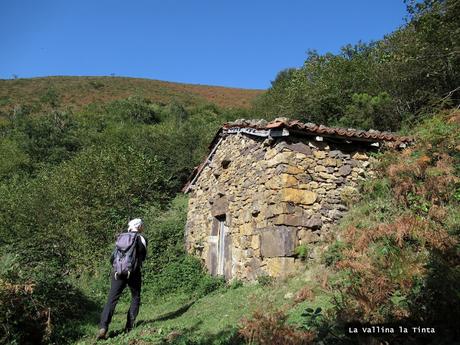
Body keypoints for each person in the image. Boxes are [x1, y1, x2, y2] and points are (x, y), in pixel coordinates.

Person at [97, 218, 147, 340]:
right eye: (142, 226)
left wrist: (118, 268)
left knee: (111, 299)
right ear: (139, 227)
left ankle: (103, 327)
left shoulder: (121, 237)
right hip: (133, 272)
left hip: (117, 272)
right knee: (135, 296)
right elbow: (143, 256)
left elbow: (112, 257)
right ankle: (129, 326)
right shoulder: (141, 238)